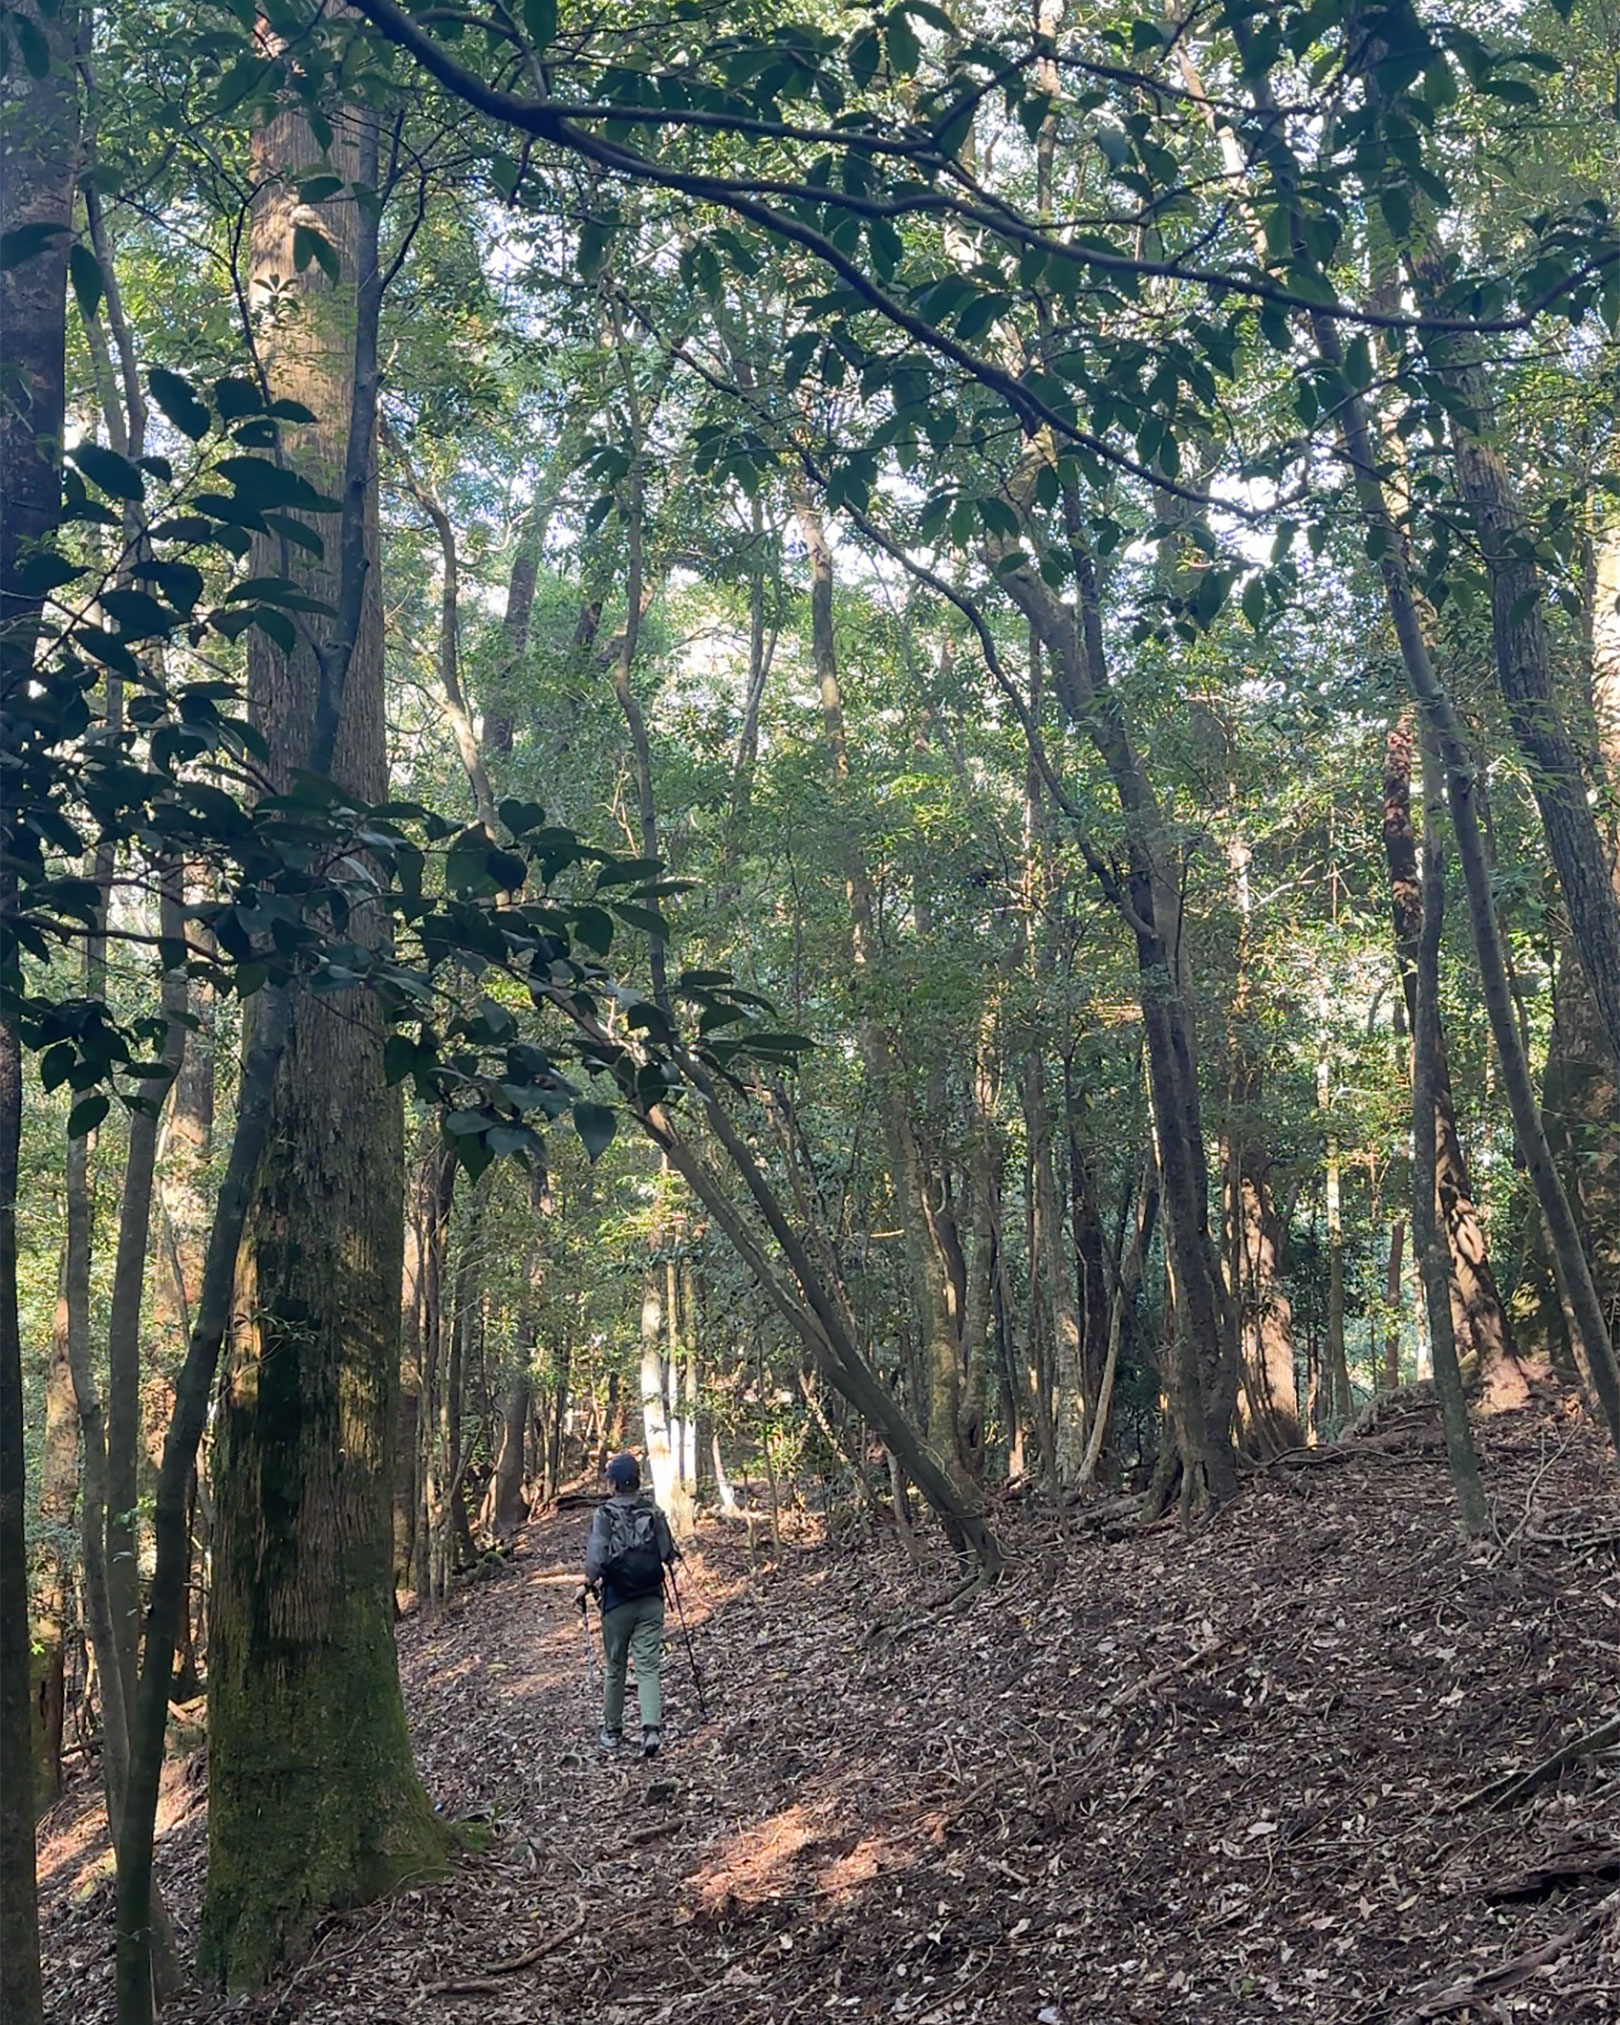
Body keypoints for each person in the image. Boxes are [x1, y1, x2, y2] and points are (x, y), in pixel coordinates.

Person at [583, 1451, 677, 1759]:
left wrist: (586, 1584)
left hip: (617, 1601)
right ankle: (651, 1729)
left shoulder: (605, 1514)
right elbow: (666, 1552)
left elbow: (597, 1559)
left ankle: (612, 1731)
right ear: (637, 1481)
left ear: (612, 1484)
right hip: (651, 1598)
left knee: (616, 1666)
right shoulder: (653, 1510)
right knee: (648, 1666)